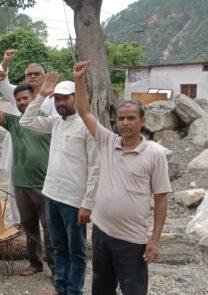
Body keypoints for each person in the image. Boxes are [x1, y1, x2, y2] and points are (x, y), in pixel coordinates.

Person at [72, 61, 170, 295]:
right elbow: (84, 112)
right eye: (120, 118)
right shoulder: (107, 141)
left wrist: (155, 240)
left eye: (131, 118)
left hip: (132, 240)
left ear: (142, 121)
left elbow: (162, 199)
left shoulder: (154, 154)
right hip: (102, 234)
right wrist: (78, 80)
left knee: (133, 290)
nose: (125, 123)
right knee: (101, 288)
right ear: (115, 121)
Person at [20, 72, 99, 295]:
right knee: (58, 246)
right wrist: (42, 95)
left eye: (65, 98)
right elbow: (25, 121)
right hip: (52, 196)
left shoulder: (87, 125)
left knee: (77, 250)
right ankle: (60, 287)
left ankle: (74, 290)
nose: (60, 103)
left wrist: (88, 203)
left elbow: (95, 167)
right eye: (57, 99)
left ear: (76, 98)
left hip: (74, 201)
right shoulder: (56, 122)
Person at [0, 69, 54, 277]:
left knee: (50, 230)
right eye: (19, 100)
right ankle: (35, 263)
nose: (22, 102)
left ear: (34, 99)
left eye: (26, 98)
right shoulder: (14, 123)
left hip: (45, 185)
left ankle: (56, 270)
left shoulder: (49, 122)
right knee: (29, 228)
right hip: (21, 184)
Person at [0, 49, 58, 226]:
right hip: (17, 148)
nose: (32, 76)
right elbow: (1, 84)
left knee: (44, 190)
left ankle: (46, 226)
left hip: (42, 150)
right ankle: (18, 223)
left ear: (44, 76)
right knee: (15, 186)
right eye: (29, 74)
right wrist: (5, 61)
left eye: (36, 73)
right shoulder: (19, 92)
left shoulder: (53, 98)